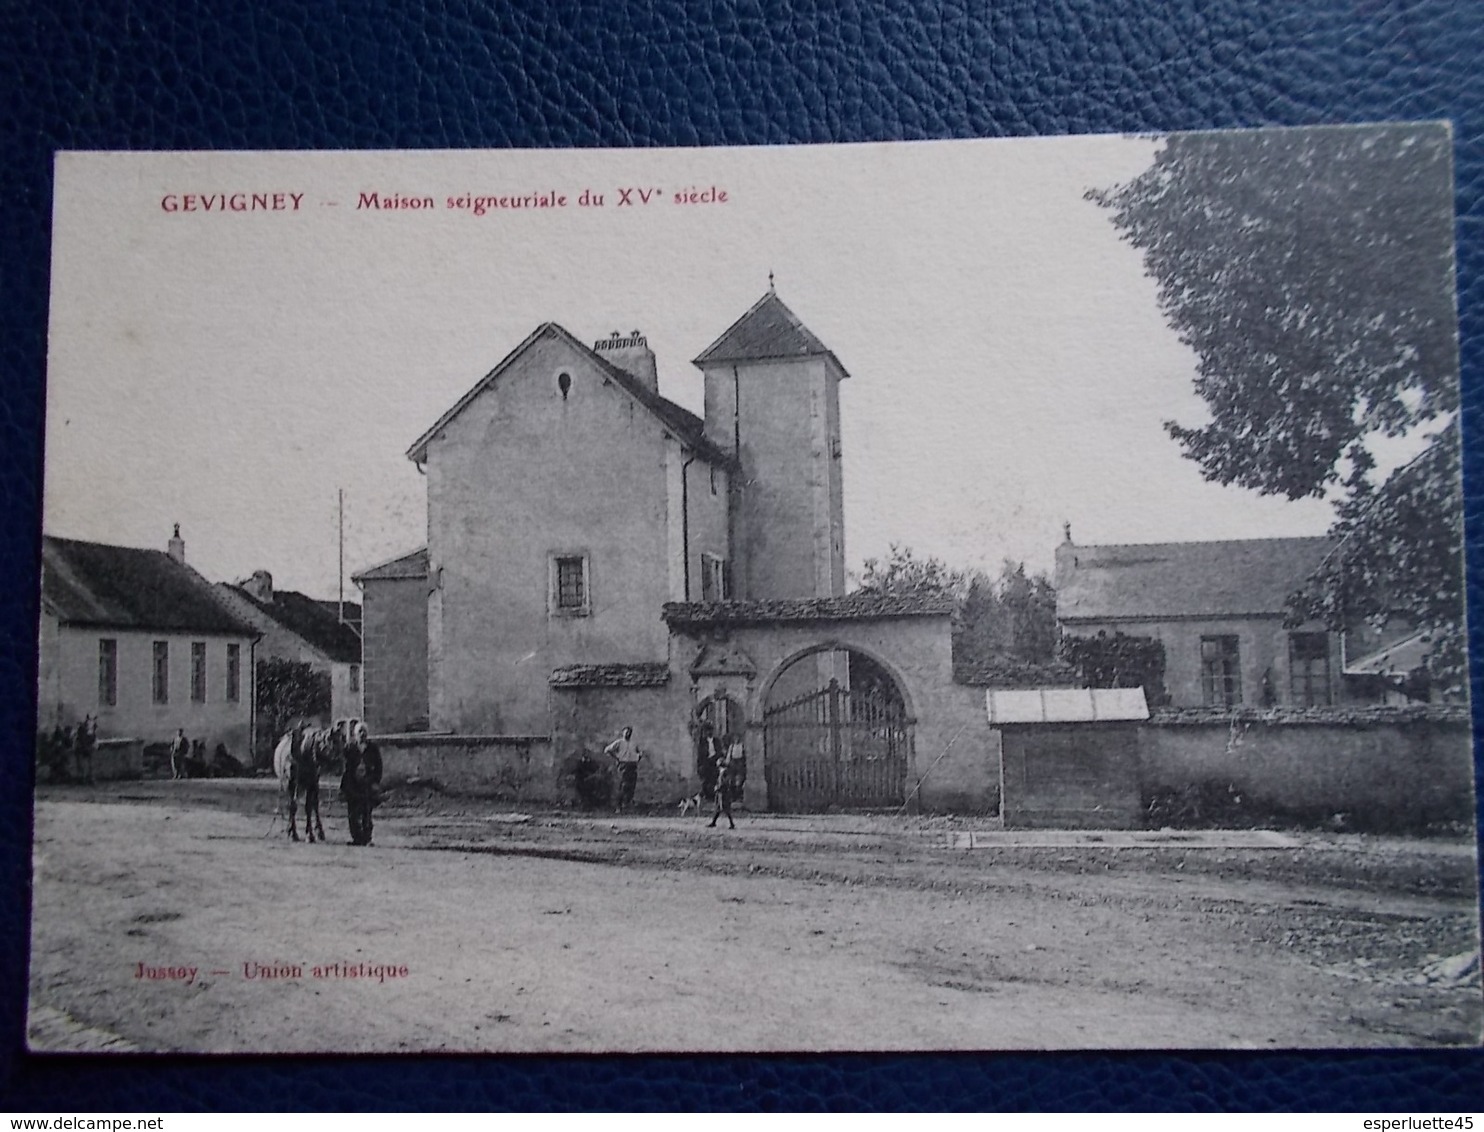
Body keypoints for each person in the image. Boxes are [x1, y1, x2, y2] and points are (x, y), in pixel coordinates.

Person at [341, 722, 383, 846]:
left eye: (364, 731)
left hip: (367, 784)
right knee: (352, 813)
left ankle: (367, 838)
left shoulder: (373, 748)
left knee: (367, 811)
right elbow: (344, 766)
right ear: (355, 734)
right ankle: (356, 838)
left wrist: (376, 781)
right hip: (353, 784)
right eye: (360, 732)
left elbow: (379, 766)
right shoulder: (350, 748)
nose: (362, 734)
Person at [708, 732, 745, 830]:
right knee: (719, 808)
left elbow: (724, 782)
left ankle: (730, 824)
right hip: (721, 793)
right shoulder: (722, 771)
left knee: (724, 809)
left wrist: (718, 788)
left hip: (723, 793)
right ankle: (714, 822)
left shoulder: (723, 772)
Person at [604, 726, 643, 810]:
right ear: (623, 733)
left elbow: (639, 752)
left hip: (632, 765)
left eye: (629, 732)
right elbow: (607, 750)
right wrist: (617, 757)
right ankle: (619, 806)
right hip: (623, 764)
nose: (628, 734)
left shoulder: (634, 743)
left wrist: (638, 757)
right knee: (622, 785)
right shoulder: (619, 742)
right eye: (626, 732)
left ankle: (628, 805)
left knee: (631, 785)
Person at [74, 715, 96, 786]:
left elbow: (92, 738)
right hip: (84, 748)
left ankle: (86, 778)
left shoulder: (87, 729)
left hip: (84, 747)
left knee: (87, 765)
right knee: (85, 764)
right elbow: (87, 738)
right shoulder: (83, 729)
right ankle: (86, 778)